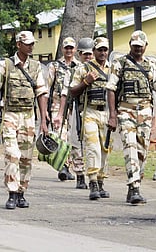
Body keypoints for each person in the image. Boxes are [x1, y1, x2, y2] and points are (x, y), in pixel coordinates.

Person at [0, 31, 49, 209]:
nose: (31, 46)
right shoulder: (6, 65)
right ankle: (11, 193)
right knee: (13, 154)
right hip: (10, 114)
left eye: (32, 43)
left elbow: (41, 93)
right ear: (18, 44)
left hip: (28, 116)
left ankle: (21, 192)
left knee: (26, 158)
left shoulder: (36, 67)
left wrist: (43, 120)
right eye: (27, 43)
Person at [107, 30, 156, 205]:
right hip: (125, 110)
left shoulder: (150, 65)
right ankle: (135, 187)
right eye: (135, 46)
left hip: (144, 112)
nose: (137, 49)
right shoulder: (119, 63)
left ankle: (133, 186)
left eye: (140, 47)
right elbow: (111, 89)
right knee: (129, 146)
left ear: (145, 47)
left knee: (142, 152)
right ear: (130, 45)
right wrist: (113, 115)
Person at [70, 37, 112, 200]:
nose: (102, 53)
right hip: (90, 112)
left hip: (107, 113)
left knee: (105, 149)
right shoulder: (83, 68)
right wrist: (86, 82)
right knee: (93, 148)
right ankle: (93, 181)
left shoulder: (113, 69)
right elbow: (73, 91)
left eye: (105, 50)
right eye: (99, 50)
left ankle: (101, 181)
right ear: (93, 51)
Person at [54, 37, 95, 189]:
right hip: (76, 112)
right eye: (85, 54)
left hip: (94, 111)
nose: (88, 57)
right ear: (79, 54)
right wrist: (60, 115)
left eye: (90, 54)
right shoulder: (72, 71)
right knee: (76, 144)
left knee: (93, 146)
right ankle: (80, 175)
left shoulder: (100, 70)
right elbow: (65, 94)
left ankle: (95, 178)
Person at [46, 37, 80, 182]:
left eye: (71, 48)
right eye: (66, 48)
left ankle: (69, 165)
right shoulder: (54, 66)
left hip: (73, 107)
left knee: (73, 137)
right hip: (57, 105)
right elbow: (47, 87)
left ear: (75, 49)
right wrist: (45, 110)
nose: (69, 50)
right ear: (62, 49)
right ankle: (64, 166)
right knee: (61, 136)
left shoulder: (79, 66)